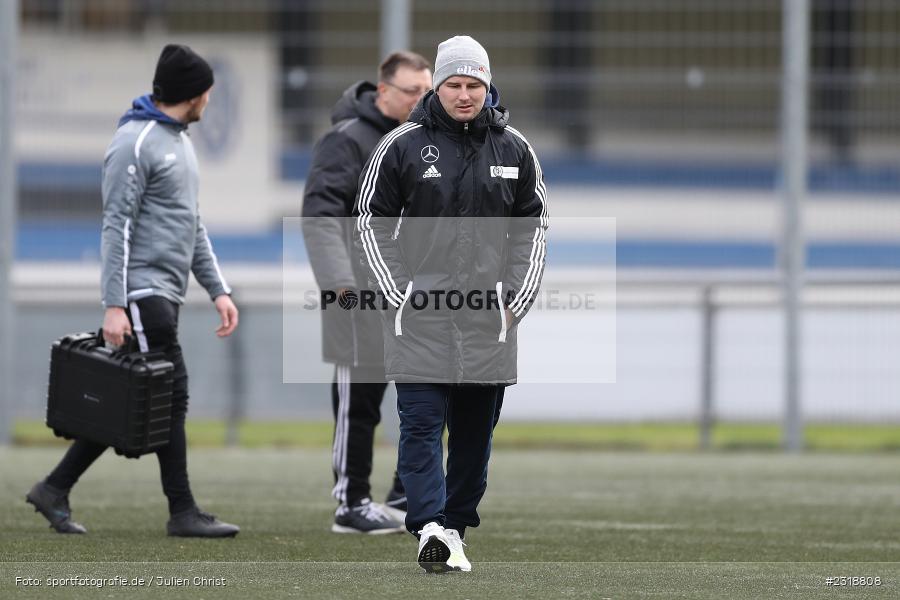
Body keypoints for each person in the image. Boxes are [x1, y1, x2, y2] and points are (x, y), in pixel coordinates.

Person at [26, 44, 240, 538]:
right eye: (207, 90)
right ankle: (182, 512)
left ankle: (55, 487)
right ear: (194, 94)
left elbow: (192, 224)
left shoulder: (179, 142)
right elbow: (115, 225)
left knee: (151, 398)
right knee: (167, 395)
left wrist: (218, 290)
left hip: (164, 293)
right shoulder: (135, 141)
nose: (210, 98)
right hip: (141, 292)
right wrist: (115, 304)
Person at [353, 36, 548, 572]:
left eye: (474, 85)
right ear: (437, 86)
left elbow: (533, 231)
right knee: (418, 426)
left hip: (490, 324)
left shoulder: (516, 149)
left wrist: (516, 299)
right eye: (454, 85)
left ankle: (455, 527)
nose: (464, 95)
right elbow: (368, 225)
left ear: (489, 86)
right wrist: (401, 294)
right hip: (419, 322)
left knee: (472, 439)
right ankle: (430, 527)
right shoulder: (401, 145)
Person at [301, 52, 432, 534]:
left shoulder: (422, 142)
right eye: (413, 90)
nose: (423, 98)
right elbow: (320, 216)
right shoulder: (347, 141)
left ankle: (404, 494)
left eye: (427, 89)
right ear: (383, 93)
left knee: (429, 396)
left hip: (412, 300)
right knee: (359, 403)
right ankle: (351, 502)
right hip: (359, 295)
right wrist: (342, 288)